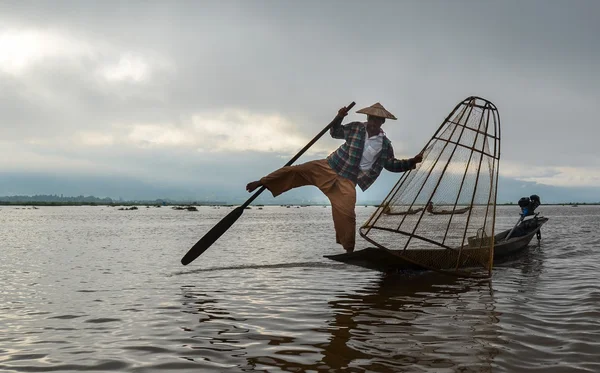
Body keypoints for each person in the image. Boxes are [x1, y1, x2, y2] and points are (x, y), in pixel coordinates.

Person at [246, 103, 423, 253]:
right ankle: (263, 182)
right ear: (368, 119)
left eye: (378, 120)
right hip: (329, 166)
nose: (374, 122)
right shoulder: (355, 127)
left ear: (382, 122)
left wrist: (410, 162)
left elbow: (390, 164)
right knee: (295, 170)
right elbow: (335, 132)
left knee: (347, 215)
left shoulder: (384, 144)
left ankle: (349, 250)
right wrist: (339, 117)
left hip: (347, 180)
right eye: (372, 118)